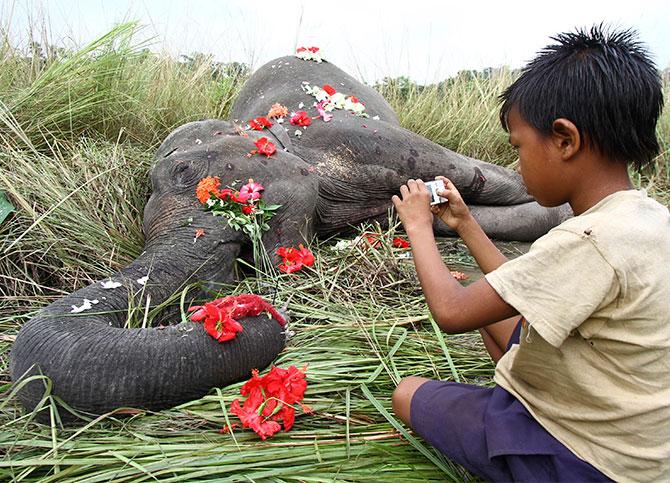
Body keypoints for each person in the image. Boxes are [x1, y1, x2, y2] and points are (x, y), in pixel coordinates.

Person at [390, 25, 669, 482]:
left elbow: (452, 311)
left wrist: (419, 226)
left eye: (518, 147)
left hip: (591, 459)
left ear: (564, 139)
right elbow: (520, 289)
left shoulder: (587, 240)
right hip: (637, 437)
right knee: (503, 317)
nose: (516, 164)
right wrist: (464, 223)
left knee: (407, 393)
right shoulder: (644, 217)